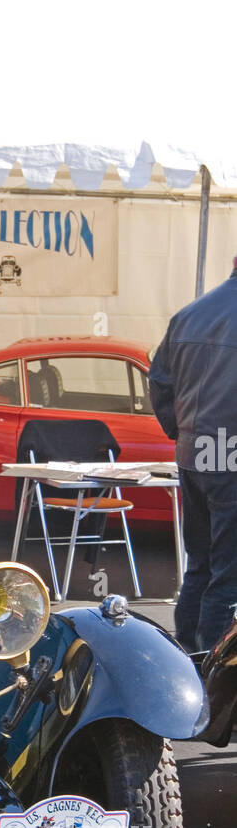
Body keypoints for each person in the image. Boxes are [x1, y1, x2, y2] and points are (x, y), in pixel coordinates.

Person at [149, 257, 237, 652]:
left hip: (195, 453)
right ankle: (208, 666)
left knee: (201, 566)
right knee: (226, 574)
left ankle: (188, 653)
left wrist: (180, 432)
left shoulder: (190, 315)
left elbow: (159, 382)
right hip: (227, 455)